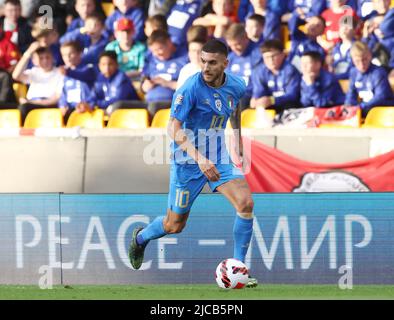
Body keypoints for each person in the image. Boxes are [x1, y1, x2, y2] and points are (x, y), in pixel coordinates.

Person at [128, 39, 257, 288]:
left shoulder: (237, 84)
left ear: (225, 64)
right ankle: (141, 238)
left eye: (212, 63)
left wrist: (237, 138)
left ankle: (239, 269)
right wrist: (199, 158)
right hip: (187, 160)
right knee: (174, 225)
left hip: (218, 157)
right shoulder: (190, 89)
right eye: (203, 62)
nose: (206, 67)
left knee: (245, 202)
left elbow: (234, 107)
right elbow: (172, 127)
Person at [141, 30, 188, 118]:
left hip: (173, 103)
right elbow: (144, 81)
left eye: (159, 49)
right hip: (148, 102)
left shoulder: (184, 58)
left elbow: (189, 87)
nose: (156, 54)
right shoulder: (152, 60)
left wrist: (166, 83)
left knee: (153, 107)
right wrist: (145, 86)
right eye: (153, 51)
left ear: (169, 42)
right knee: (120, 107)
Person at [12, 44, 64, 123]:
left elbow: (55, 99)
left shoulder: (60, 73)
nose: (45, 61)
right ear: (34, 61)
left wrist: (31, 102)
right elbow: (16, 76)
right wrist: (28, 53)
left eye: (47, 57)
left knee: (24, 107)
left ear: (52, 58)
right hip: (29, 103)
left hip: (47, 105)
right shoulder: (34, 72)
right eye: (41, 58)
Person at [250, 39, 301, 113]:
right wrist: (256, 99)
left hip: (286, 104)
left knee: (289, 105)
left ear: (283, 54)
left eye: (274, 56)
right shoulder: (259, 71)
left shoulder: (291, 70)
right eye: (267, 57)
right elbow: (259, 91)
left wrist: (272, 100)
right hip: (269, 105)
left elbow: (293, 95)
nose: (271, 60)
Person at [345, 41, 394, 117]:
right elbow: (350, 94)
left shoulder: (379, 72)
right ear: (352, 60)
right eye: (357, 61)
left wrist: (360, 107)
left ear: (370, 56)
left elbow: (380, 98)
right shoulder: (353, 73)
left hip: (382, 112)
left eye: (364, 59)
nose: (361, 64)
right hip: (364, 111)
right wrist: (348, 106)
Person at [84, 50, 140, 115]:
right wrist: (87, 104)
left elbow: (117, 100)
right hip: (111, 110)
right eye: (103, 64)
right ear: (99, 66)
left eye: (110, 64)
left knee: (115, 106)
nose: (107, 68)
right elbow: (93, 96)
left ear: (117, 65)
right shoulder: (100, 78)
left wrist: (95, 104)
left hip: (130, 111)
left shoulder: (122, 78)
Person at [225, 23, 262, 117]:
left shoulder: (258, 54)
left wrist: (256, 96)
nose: (234, 48)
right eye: (231, 46)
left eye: (237, 44)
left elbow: (261, 80)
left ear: (246, 38)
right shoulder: (230, 58)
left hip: (250, 95)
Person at [58, 41, 95, 122]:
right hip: (71, 111)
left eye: (71, 54)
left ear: (80, 53)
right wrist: (62, 105)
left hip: (86, 111)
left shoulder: (89, 69)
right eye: (64, 55)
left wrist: (68, 72)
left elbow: (82, 75)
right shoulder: (66, 75)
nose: (67, 58)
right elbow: (63, 94)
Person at [176, 25, 208, 89]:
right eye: (193, 51)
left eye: (199, 51)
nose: (196, 55)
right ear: (189, 52)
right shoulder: (186, 70)